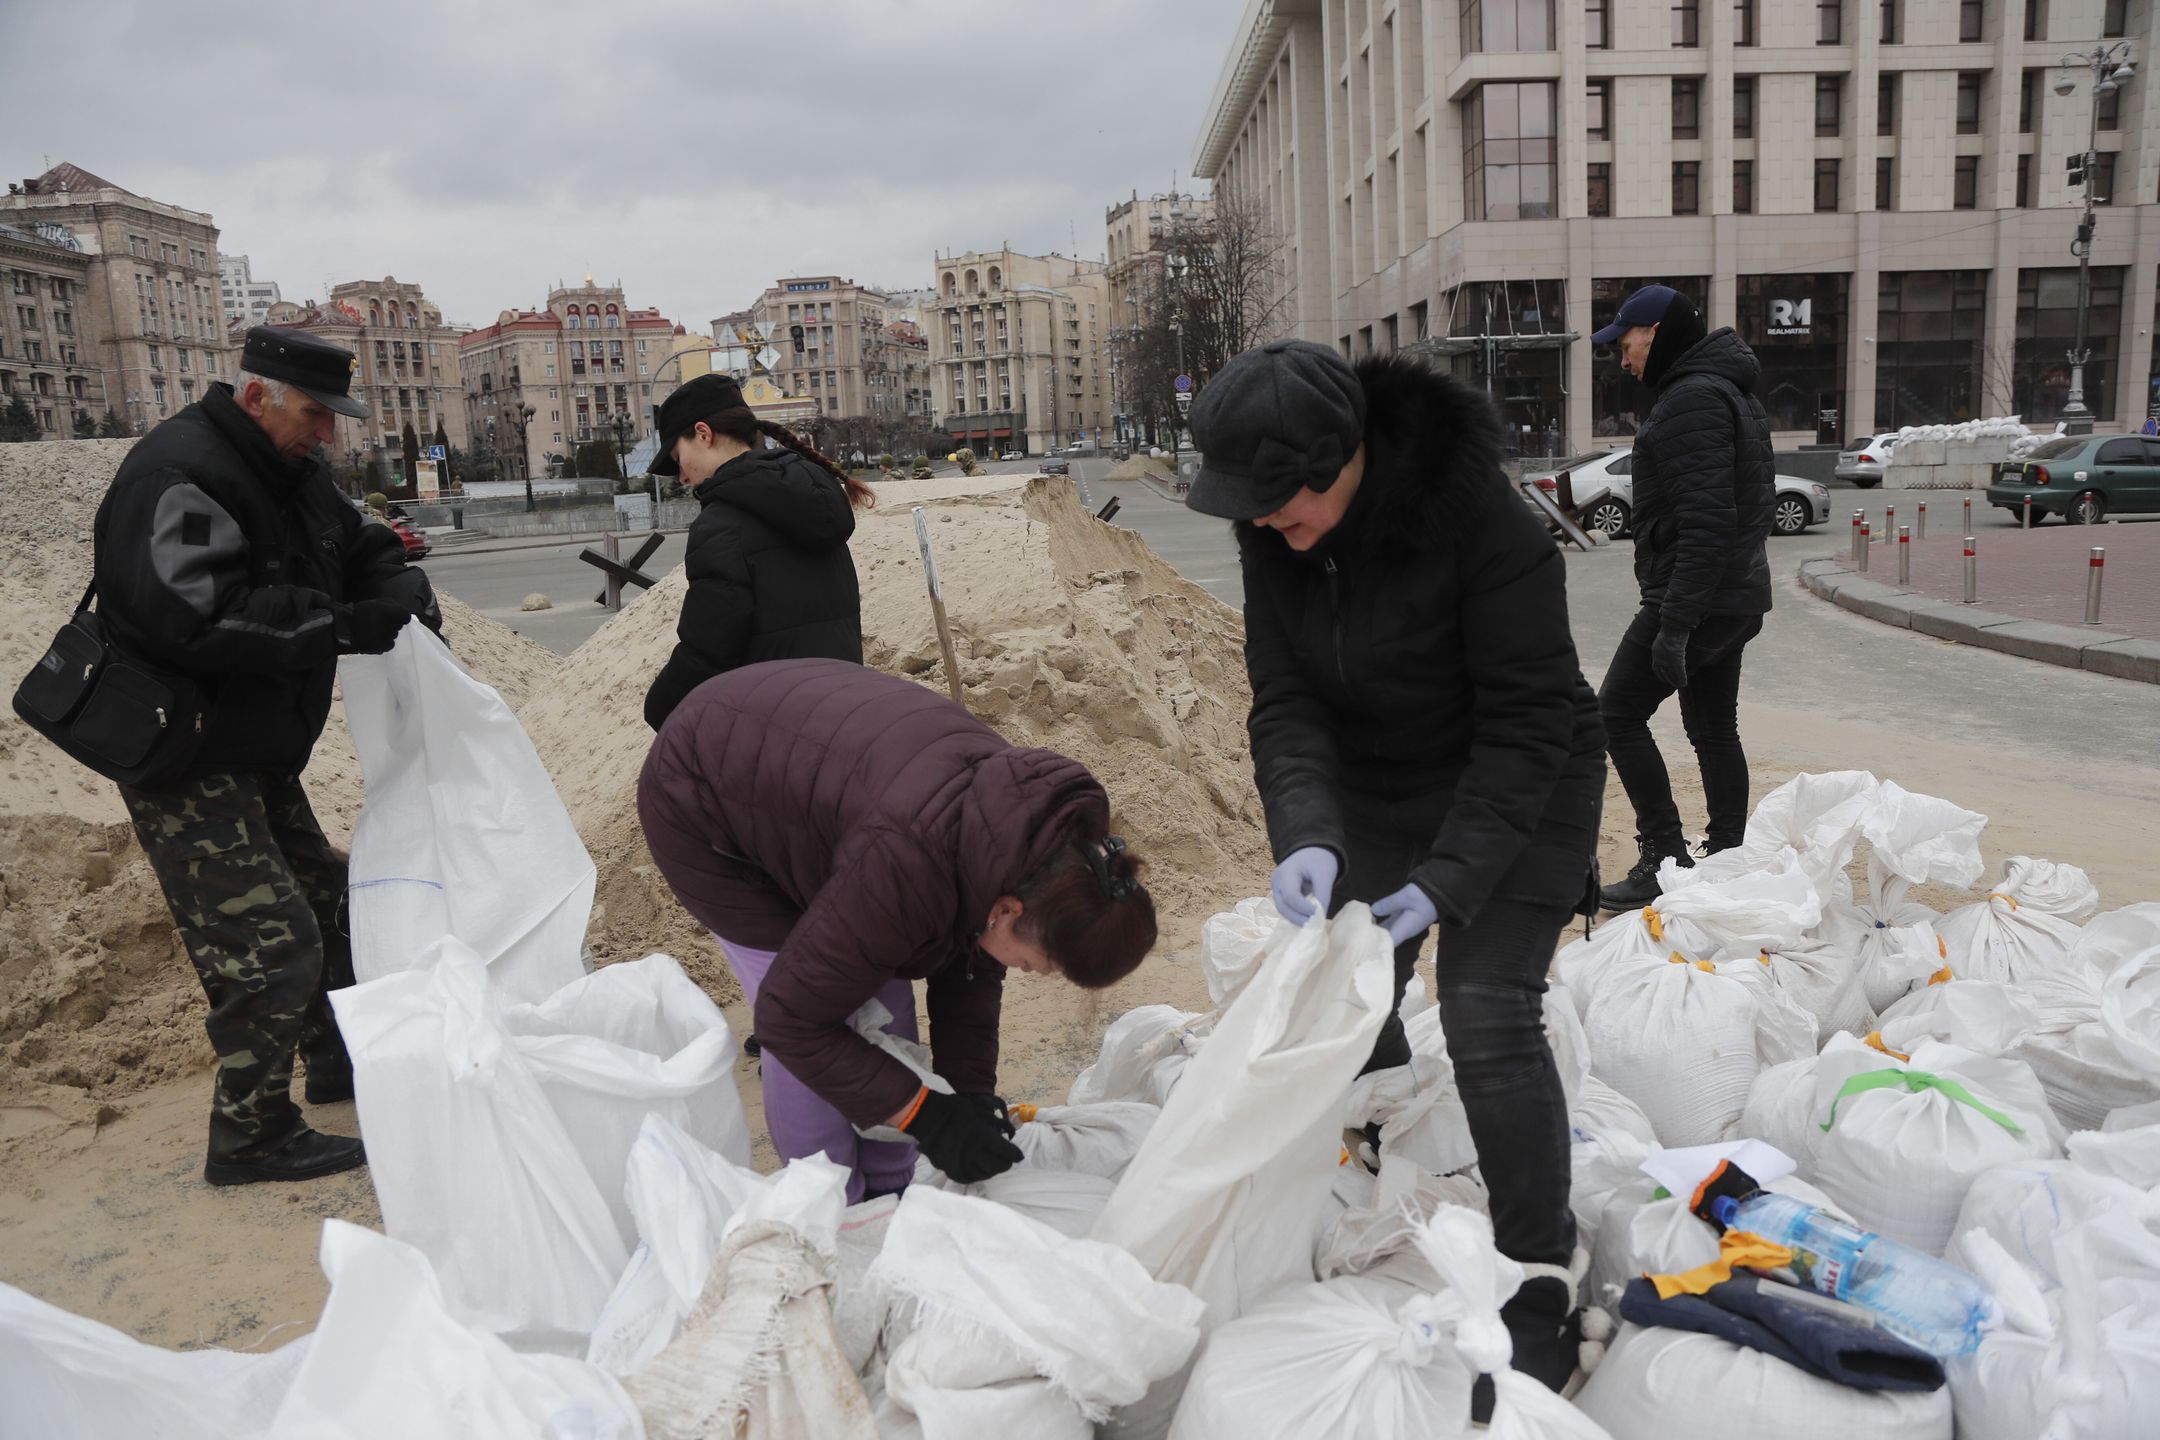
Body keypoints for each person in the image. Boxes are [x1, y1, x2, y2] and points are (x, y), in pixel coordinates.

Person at [1184, 339, 1607, 1398]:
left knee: (1483, 1005)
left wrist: (1457, 873)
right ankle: (1368, 1141)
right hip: (1381, 778)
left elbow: (1526, 722)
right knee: (1351, 961)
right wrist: (1312, 833)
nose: (1266, 527)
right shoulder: (1273, 532)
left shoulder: (1488, 526)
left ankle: (1540, 1267)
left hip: (1524, 775)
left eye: (1280, 504)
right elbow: (1285, 698)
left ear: (1343, 460)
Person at [91, 326, 440, 1185]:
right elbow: (192, 617)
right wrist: (338, 625)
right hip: (184, 750)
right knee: (270, 946)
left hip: (251, 745)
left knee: (328, 903)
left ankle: (335, 1064)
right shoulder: (177, 472)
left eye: (334, 418)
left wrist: (394, 585)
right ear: (257, 396)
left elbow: (351, 547)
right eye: (316, 415)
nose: (328, 434)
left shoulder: (291, 469)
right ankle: (249, 1135)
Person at [637, 658, 1157, 1203]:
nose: (1032, 972)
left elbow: (971, 966)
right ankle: (827, 1204)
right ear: (1006, 909)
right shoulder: (910, 859)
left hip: (823, 780)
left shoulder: (1025, 850)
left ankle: (890, 1190)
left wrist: (968, 1097)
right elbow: (789, 1020)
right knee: (820, 1009)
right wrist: (927, 1115)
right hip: (705, 796)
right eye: (1038, 963)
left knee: (883, 1010)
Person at [1588, 285, 1775, 909]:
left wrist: (1675, 623)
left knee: (1615, 711)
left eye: (1628, 340)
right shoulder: (1725, 389)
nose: (1623, 355)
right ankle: (1727, 857)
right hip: (1731, 595)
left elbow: (1707, 522)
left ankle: (1663, 854)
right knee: (1713, 726)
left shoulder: (1692, 398)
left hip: (1698, 598)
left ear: (1659, 331)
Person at [642, 373, 873, 731]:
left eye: (678, 457)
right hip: (843, 715)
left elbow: (709, 650)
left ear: (703, 434)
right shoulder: (815, 497)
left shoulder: (722, 525)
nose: (682, 477)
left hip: (775, 730)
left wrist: (658, 709)